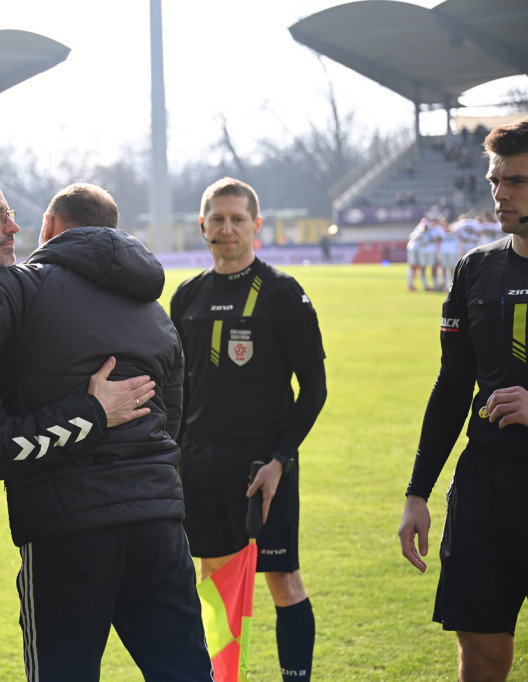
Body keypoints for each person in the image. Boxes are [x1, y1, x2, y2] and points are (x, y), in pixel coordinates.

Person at [0, 183, 213, 681]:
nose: (13, 226)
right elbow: (173, 422)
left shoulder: (23, 287)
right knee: (184, 670)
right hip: (159, 524)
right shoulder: (154, 312)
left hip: (66, 531)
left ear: (49, 227)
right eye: (1, 214)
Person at [169, 177, 327, 681]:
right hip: (201, 464)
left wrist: (280, 460)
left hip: (264, 466)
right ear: (202, 226)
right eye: (217, 218)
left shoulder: (283, 293)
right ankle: (224, 677)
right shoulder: (186, 297)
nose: (228, 228)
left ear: (256, 226)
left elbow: (315, 389)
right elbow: (181, 390)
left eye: (238, 218)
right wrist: (178, 454)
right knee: (213, 581)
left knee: (283, 579)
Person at [398, 116, 528, 682]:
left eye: (518, 181)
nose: (501, 193)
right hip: (484, 490)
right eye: (496, 179)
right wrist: (417, 492)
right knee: (483, 652)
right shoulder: (475, 268)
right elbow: (452, 387)